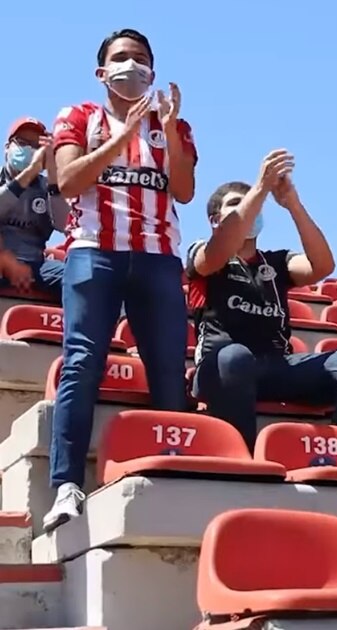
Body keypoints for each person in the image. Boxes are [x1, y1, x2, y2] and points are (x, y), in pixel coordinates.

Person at [44, 28, 198, 531]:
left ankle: (174, 470)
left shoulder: (173, 124)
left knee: (169, 367)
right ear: (101, 71)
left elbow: (185, 190)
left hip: (158, 256)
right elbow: (68, 182)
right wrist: (120, 138)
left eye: (141, 60)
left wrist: (170, 132)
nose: (132, 66)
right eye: (122, 58)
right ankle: (66, 484)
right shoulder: (78, 116)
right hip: (94, 250)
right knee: (83, 360)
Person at [188, 150, 337, 450]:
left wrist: (293, 205)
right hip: (222, 367)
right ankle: (240, 457)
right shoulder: (203, 250)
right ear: (215, 220)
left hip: (275, 366)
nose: (250, 208)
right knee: (235, 355)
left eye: (253, 202)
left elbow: (322, 267)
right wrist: (260, 188)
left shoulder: (276, 262)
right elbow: (210, 258)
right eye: (235, 204)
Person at [0, 117, 70, 296]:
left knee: (80, 279)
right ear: (7, 148)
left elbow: (66, 225)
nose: (30, 150)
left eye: (36, 146)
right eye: (22, 143)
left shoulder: (47, 186)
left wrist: (54, 176)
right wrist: (30, 171)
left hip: (37, 264)